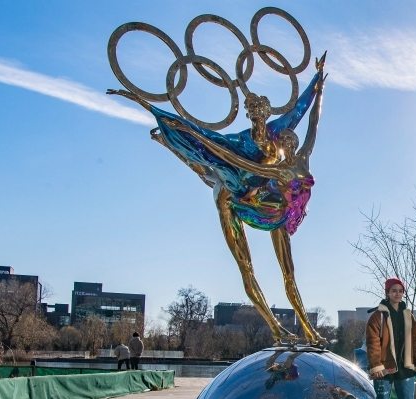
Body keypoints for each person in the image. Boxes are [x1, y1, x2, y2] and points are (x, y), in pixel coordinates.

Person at [108, 54, 327, 345]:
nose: (259, 120)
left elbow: (306, 115)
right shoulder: (245, 145)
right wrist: (150, 107)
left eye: (261, 114)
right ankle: (275, 328)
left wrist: (318, 84)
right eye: (253, 115)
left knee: (288, 271)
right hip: (237, 200)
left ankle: (309, 331)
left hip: (273, 207)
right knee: (218, 184)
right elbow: (215, 147)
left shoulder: (285, 143)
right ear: (250, 116)